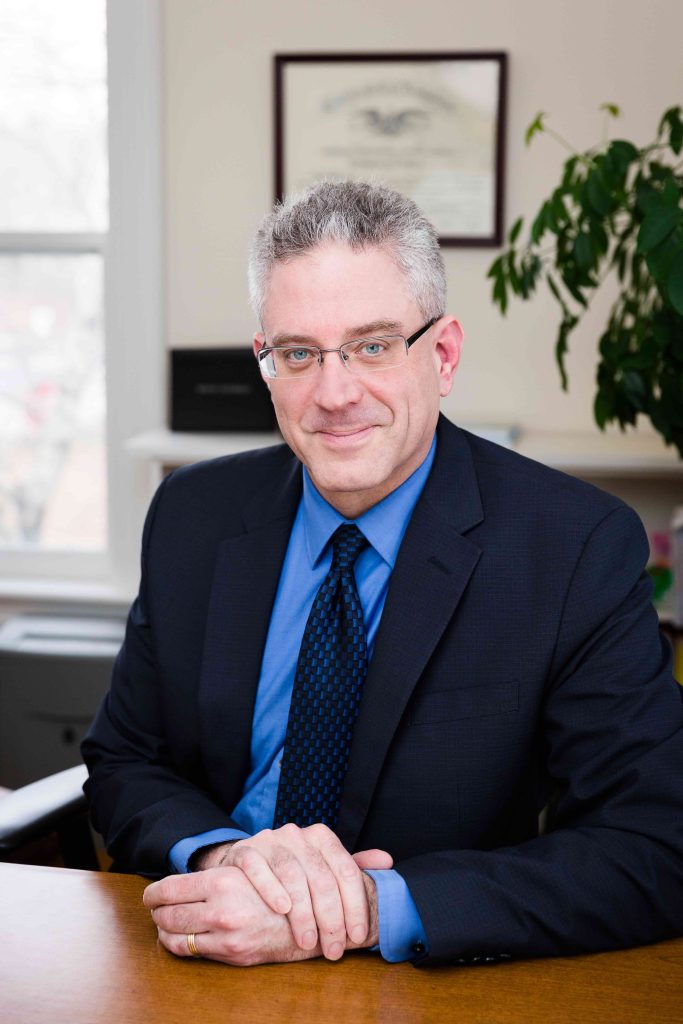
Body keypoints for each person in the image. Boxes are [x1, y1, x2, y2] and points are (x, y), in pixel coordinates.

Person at [82, 180, 683, 969]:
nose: (333, 394)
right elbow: (126, 760)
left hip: (430, 987)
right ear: (265, 362)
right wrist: (224, 858)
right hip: (202, 958)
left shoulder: (570, 546)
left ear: (441, 353)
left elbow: (652, 846)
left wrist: (362, 909)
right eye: (297, 353)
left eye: (371, 345)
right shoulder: (193, 514)